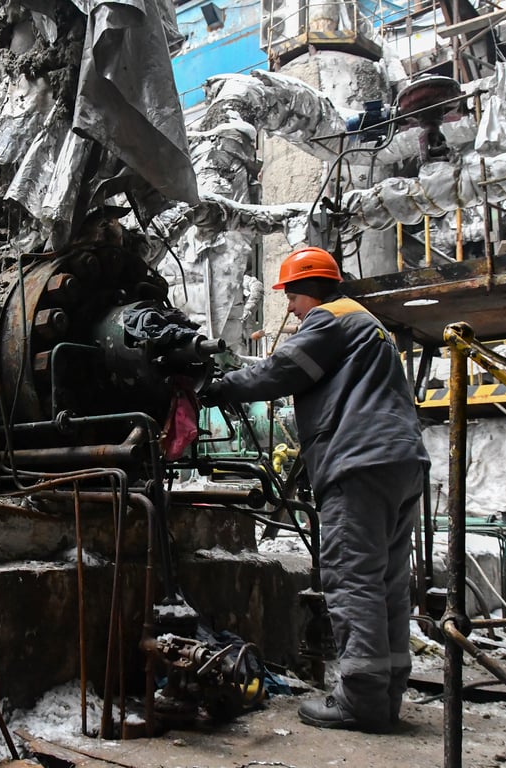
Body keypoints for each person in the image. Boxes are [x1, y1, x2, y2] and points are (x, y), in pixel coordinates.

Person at [200, 246, 429, 733]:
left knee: (354, 579)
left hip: (359, 461)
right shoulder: (368, 324)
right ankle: (386, 692)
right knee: (387, 581)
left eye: (290, 296)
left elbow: (280, 371)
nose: (289, 307)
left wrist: (220, 386)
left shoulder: (329, 320)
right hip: (401, 460)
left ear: (308, 290)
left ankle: (362, 701)